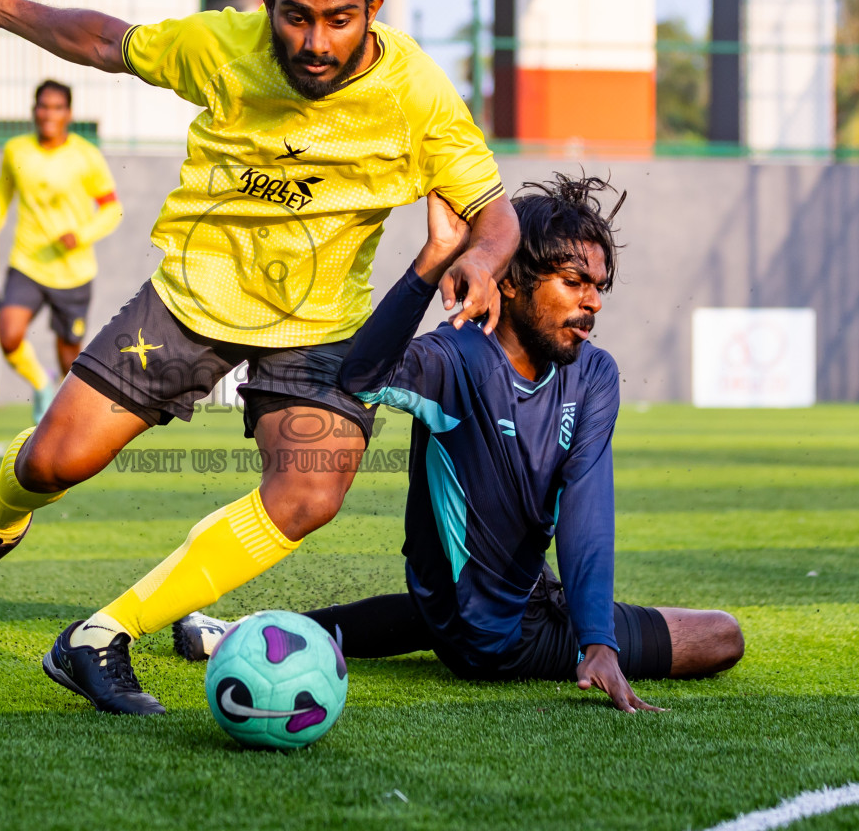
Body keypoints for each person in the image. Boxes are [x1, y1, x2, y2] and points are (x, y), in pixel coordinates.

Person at [0, 0, 521, 715]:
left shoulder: (418, 95)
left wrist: (482, 262)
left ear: (373, 8)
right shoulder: (222, 48)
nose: (314, 42)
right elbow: (106, 41)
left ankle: (100, 636)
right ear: (267, 2)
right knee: (58, 462)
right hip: (194, 298)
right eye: (295, 16)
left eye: (339, 20)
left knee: (308, 496)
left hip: (321, 330)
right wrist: (10, 7)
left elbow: (496, 212)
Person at [175, 178, 746, 711]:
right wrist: (433, 262)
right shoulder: (452, 360)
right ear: (512, 281)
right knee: (722, 635)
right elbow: (362, 377)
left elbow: (586, 504)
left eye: (598, 287)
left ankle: (248, 633)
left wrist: (595, 634)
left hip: (498, 597)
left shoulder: (593, 373)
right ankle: (266, 632)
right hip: (492, 641)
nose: (592, 302)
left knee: (466, 604)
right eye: (573, 283)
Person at [0, 80, 123, 423]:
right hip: (27, 262)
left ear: (69, 114)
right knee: (8, 334)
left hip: (73, 272)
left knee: (69, 357)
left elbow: (112, 209)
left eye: (57, 107)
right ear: (34, 110)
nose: (49, 114)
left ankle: (61, 412)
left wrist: (82, 234)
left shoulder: (86, 156)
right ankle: (41, 384)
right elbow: (3, 194)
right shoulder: (16, 150)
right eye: (43, 106)